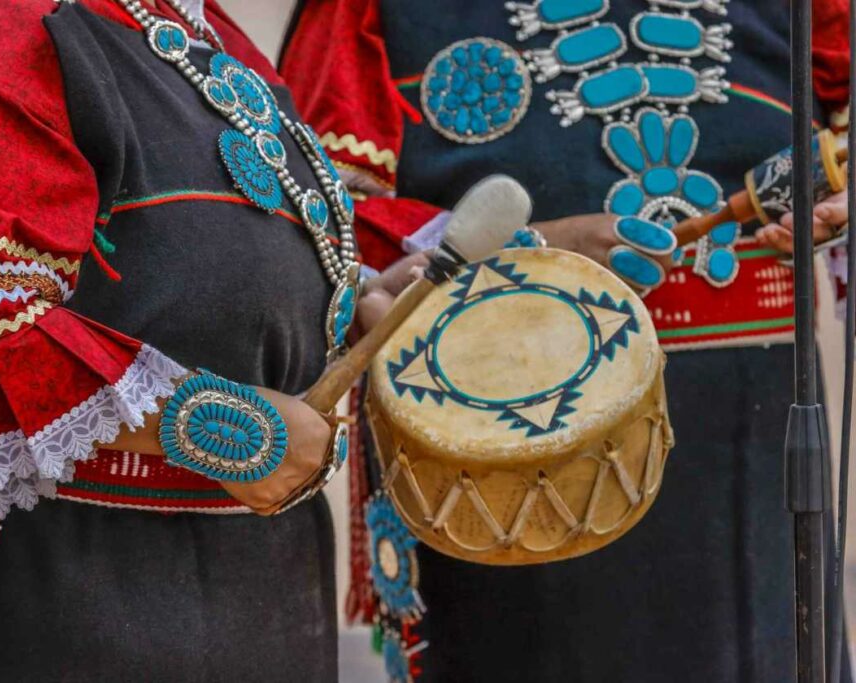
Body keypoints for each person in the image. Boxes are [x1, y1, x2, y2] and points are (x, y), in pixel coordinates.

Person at [0, 0, 422, 679]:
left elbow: (185, 265)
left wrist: (354, 297)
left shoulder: (193, 27)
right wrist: (227, 427)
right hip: (58, 604)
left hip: (235, 600)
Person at [281, 1, 853, 681]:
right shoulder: (366, 12)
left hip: (754, 449)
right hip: (508, 441)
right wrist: (538, 252)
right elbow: (318, 223)